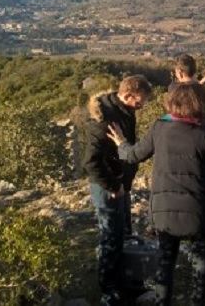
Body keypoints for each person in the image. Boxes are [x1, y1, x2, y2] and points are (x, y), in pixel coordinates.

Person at [107, 84, 205, 306]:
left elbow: (133, 155)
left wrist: (121, 144)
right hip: (199, 212)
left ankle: (162, 302)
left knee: (165, 261)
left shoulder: (159, 127)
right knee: (201, 260)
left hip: (164, 213)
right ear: (201, 103)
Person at [82, 74, 153, 306]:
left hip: (120, 185)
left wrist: (124, 183)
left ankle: (126, 282)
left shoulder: (124, 111)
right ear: (127, 95)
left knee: (123, 234)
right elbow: (91, 162)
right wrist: (113, 186)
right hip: (107, 187)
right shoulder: (103, 120)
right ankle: (109, 290)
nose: (142, 105)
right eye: (139, 101)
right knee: (110, 237)